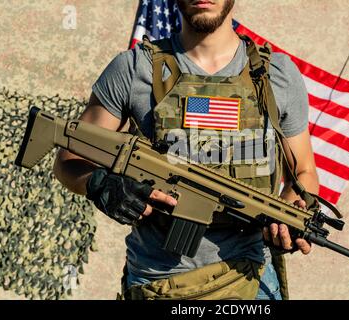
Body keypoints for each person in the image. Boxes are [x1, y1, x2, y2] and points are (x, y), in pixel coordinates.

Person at [53, 0, 319, 300]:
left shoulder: (276, 74)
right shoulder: (133, 68)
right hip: (158, 282)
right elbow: (69, 159)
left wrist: (289, 215)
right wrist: (99, 184)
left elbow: (302, 172)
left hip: (250, 278)